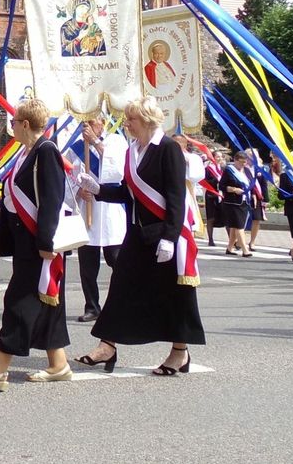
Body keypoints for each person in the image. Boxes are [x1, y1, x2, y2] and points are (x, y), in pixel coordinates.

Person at [76, 95, 204, 376]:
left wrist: (170, 237)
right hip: (137, 233)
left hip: (164, 234)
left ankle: (179, 352)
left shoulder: (167, 148)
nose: (127, 124)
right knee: (121, 285)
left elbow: (175, 197)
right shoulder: (133, 150)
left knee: (175, 294)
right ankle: (107, 345)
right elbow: (128, 193)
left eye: (131, 119)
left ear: (146, 120)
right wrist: (99, 189)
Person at [0, 98, 71, 390]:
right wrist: (0, 238)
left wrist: (46, 240)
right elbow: (13, 204)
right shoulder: (25, 154)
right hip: (26, 241)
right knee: (46, 303)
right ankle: (59, 364)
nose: (11, 125)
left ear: (25, 124)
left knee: (19, 302)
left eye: (13, 121)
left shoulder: (46, 152)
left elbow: (51, 198)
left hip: (40, 244)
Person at [66, 116, 126, 322]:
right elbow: (69, 177)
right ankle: (92, 306)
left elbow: (118, 170)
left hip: (110, 210)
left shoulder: (117, 142)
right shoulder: (75, 148)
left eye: (92, 122)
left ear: (103, 122)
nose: (88, 127)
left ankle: (121, 303)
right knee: (87, 267)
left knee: (118, 262)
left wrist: (95, 143)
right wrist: (78, 190)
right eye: (85, 123)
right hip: (87, 210)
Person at [219, 151, 251, 257]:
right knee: (239, 226)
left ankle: (229, 247)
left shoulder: (246, 171)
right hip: (233, 202)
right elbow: (222, 186)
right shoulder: (229, 170)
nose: (243, 164)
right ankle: (245, 249)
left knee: (234, 226)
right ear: (235, 160)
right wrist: (234, 189)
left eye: (245, 162)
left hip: (244, 200)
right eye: (241, 162)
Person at [244, 148, 268, 253]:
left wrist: (265, 199)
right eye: (249, 155)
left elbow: (264, 184)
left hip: (257, 197)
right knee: (242, 220)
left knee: (256, 220)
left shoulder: (260, 169)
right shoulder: (242, 168)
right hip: (245, 196)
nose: (251, 157)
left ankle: (252, 241)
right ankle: (239, 240)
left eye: (254, 155)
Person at [201, 151, 225, 247]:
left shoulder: (223, 168)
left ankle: (233, 241)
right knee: (211, 217)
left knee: (226, 217)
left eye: (220, 157)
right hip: (211, 194)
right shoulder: (208, 169)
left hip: (221, 194)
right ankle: (210, 239)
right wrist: (215, 180)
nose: (219, 158)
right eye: (217, 156)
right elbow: (204, 181)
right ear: (213, 157)